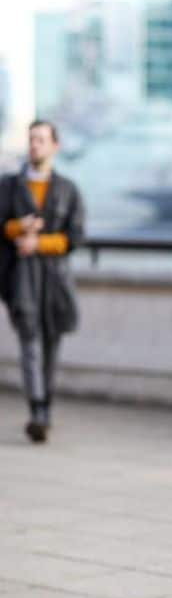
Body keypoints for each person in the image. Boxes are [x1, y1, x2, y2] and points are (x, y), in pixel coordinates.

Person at [0, 120, 84, 442]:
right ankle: (36, 409)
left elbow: (75, 236)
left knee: (51, 342)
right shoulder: (9, 186)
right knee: (29, 341)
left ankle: (45, 405)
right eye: (31, 139)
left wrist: (39, 243)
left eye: (41, 139)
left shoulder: (67, 190)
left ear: (54, 146)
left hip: (55, 280)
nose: (34, 145)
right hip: (20, 278)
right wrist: (17, 227)